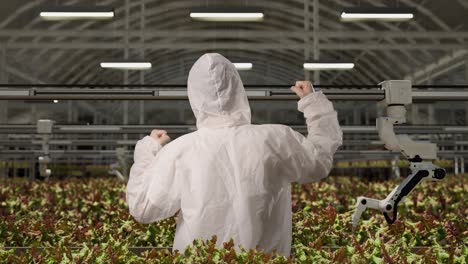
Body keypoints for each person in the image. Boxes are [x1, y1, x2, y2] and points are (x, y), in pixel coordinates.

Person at [126, 53, 342, 256]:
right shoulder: (274, 139)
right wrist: (313, 104)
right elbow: (319, 160)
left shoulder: (181, 150)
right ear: (238, 89)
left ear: (195, 97)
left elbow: (143, 208)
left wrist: (149, 148)